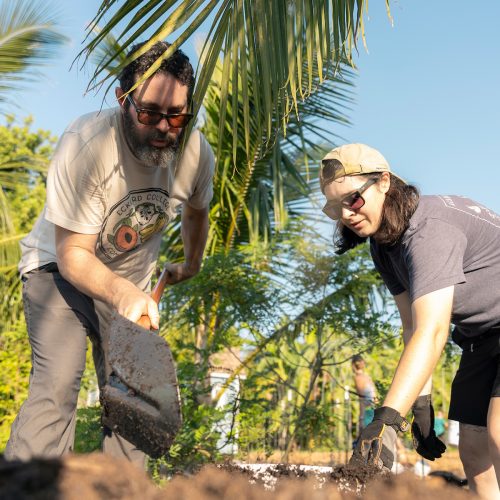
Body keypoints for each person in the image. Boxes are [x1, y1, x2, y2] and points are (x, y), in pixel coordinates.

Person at [5, 40, 215, 467]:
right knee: (58, 385)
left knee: (136, 399)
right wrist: (122, 295)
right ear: (124, 100)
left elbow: (197, 212)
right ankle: (25, 488)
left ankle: (120, 492)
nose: (163, 128)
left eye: (176, 116)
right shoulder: (86, 143)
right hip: (58, 270)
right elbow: (73, 253)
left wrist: (191, 264)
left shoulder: (195, 153)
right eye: (150, 113)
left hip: (129, 287)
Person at [319, 143, 500, 499]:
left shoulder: (428, 230)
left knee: (498, 432)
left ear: (384, 182)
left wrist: (387, 421)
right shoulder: (384, 245)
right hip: (480, 337)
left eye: (353, 200)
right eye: (336, 208)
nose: (347, 215)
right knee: (475, 453)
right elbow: (414, 328)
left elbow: (433, 332)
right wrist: (421, 404)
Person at [351, 354, 376, 434]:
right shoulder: (367, 377)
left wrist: (361, 417)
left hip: (368, 411)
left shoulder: (358, 378)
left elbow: (362, 398)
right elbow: (374, 396)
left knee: (365, 438)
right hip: (373, 409)